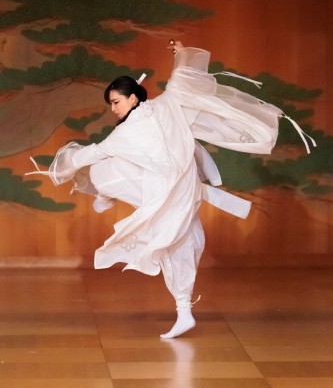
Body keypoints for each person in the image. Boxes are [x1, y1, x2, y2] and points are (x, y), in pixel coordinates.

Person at [27, 40, 315, 338]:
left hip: (169, 192)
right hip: (180, 187)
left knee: (169, 238)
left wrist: (60, 166)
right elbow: (183, 78)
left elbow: (92, 153)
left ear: (133, 98)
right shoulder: (166, 104)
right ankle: (182, 309)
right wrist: (181, 54)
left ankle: (181, 307)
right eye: (111, 103)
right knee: (174, 238)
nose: (113, 109)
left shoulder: (131, 129)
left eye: (116, 102)